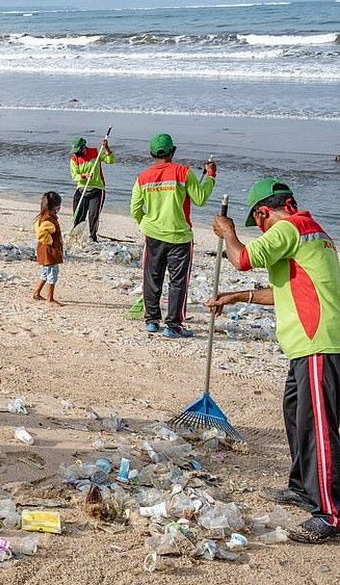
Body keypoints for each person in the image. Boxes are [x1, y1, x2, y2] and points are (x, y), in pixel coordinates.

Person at [208, 179, 340, 543]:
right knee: (296, 413)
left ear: (264, 212)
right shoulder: (313, 232)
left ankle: (331, 513)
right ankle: (302, 487)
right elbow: (282, 292)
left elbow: (243, 259)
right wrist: (237, 298)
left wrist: (229, 232)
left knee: (318, 427)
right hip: (308, 344)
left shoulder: (289, 227)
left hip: (318, 342)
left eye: (258, 223)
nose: (262, 229)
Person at [130, 133, 215, 338]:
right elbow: (201, 198)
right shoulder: (183, 173)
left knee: (152, 277)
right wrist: (210, 176)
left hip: (153, 235)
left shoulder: (143, 177)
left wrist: (146, 224)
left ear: (151, 154)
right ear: (173, 151)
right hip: (179, 237)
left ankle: (151, 320)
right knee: (178, 281)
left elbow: (135, 208)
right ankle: (173, 325)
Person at [70, 135, 113, 242]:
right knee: (78, 215)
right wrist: (84, 175)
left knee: (93, 215)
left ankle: (93, 237)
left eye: (78, 150)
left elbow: (110, 160)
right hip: (82, 188)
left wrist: (107, 148)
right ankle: (76, 236)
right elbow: (74, 176)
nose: (76, 153)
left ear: (83, 147)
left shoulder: (95, 152)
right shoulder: (74, 158)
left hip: (97, 188)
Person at [32, 191, 64, 306]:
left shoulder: (43, 217)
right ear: (56, 206)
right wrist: (49, 241)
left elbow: (38, 229)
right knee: (52, 273)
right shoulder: (49, 220)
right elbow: (41, 233)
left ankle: (37, 292)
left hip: (44, 250)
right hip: (49, 251)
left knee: (45, 272)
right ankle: (50, 299)